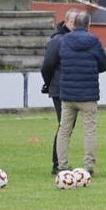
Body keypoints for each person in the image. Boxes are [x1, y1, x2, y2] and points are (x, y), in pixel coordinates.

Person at [48, 12, 106, 177]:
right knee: (89, 130)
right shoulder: (94, 41)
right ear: (88, 25)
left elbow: (61, 60)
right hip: (88, 93)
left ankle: (62, 165)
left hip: (67, 93)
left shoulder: (65, 40)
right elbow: (103, 64)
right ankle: (88, 166)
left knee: (64, 130)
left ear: (74, 25)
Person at [40, 11, 73, 169]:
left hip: (68, 87)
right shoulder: (57, 40)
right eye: (73, 22)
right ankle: (58, 163)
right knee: (64, 125)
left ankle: (59, 162)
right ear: (65, 21)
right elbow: (47, 66)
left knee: (66, 125)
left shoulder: (72, 39)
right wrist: (49, 84)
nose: (75, 25)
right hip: (59, 88)